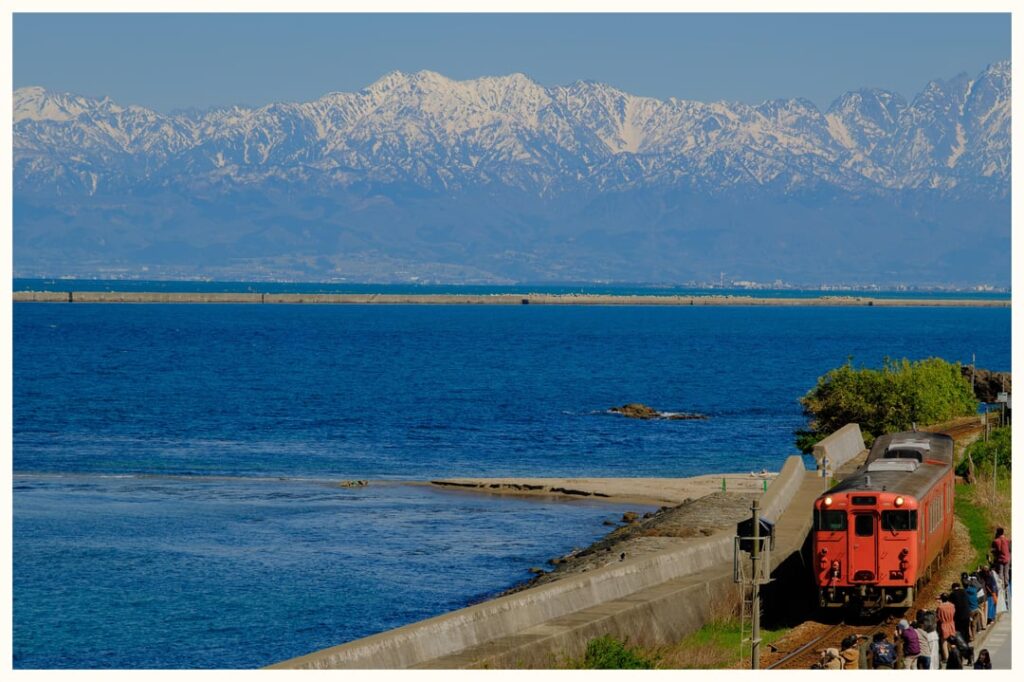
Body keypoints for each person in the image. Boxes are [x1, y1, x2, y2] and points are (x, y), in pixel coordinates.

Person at [937, 594, 956, 663]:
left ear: (941, 599)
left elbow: (938, 617)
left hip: (944, 625)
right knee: (952, 641)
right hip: (951, 623)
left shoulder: (940, 607)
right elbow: (954, 613)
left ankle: (947, 658)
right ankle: (954, 655)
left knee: (944, 642)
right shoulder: (952, 605)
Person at [991, 527, 1011, 594]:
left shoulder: (996, 541)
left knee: (1000, 573)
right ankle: (1006, 585)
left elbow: (996, 550)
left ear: (997, 533)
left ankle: (1001, 586)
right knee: (1006, 572)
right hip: (1007, 558)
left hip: (1000, 559)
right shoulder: (1008, 540)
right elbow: (1010, 549)